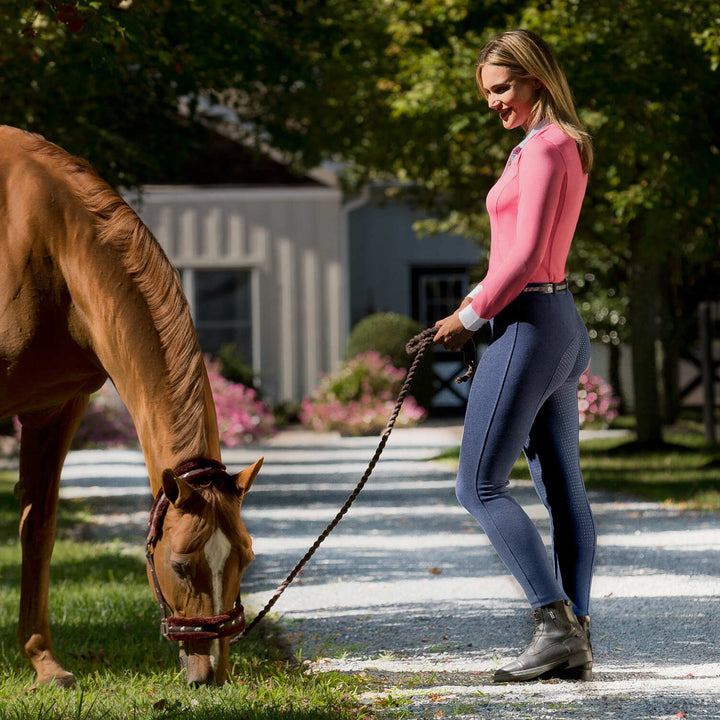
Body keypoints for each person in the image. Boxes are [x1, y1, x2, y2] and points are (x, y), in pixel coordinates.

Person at [433, 29, 595, 683]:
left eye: (502, 88)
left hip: (529, 322)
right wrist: (483, 311)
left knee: (478, 485)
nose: (494, 103)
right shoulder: (554, 146)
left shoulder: (546, 147)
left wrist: (466, 318)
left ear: (535, 77)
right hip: (554, 323)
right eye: (488, 93)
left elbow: (524, 258)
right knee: (563, 490)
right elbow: (519, 256)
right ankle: (575, 634)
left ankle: (554, 625)